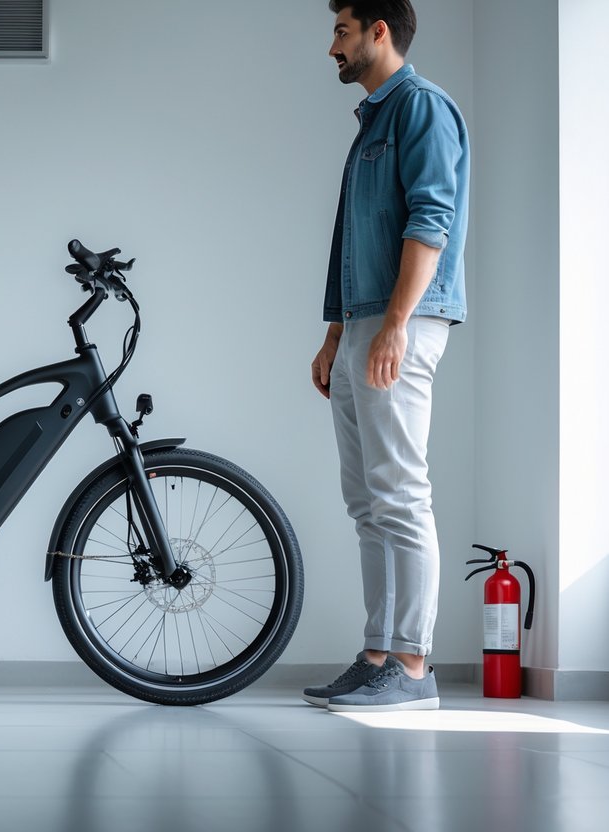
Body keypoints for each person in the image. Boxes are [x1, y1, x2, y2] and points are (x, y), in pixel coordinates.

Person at [303, 0, 469, 712]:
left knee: (400, 492)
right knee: (366, 501)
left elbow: (430, 216)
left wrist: (395, 323)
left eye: (340, 31)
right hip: (363, 323)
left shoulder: (422, 109)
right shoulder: (373, 119)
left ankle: (410, 665)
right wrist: (336, 332)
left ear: (377, 32)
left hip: (402, 321)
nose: (330, 46)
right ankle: (377, 653)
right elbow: (351, 235)